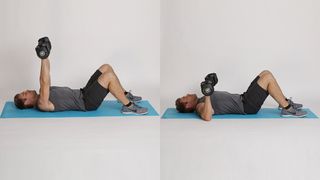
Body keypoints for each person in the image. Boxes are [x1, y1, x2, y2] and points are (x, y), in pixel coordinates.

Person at [13, 37, 148, 115]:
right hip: (87, 103)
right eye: (24, 94)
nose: (26, 91)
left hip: (84, 92)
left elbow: (46, 76)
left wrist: (46, 54)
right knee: (109, 76)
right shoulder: (42, 103)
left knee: (106, 67)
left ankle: (123, 95)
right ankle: (129, 106)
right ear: (27, 103)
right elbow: (44, 81)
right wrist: (43, 58)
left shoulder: (43, 93)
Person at [175, 70, 307, 121]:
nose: (187, 94)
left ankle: (282, 101)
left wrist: (210, 85)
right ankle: (287, 108)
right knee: (268, 78)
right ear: (187, 105)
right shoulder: (200, 106)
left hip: (244, 98)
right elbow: (207, 116)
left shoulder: (202, 98)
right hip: (246, 106)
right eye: (185, 97)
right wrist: (208, 94)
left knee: (265, 73)